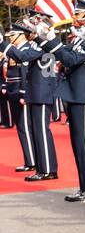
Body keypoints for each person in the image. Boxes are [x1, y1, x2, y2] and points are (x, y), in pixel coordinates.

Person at [33, 1, 85, 202]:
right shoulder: (78, 38)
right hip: (75, 92)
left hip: (84, 93)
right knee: (77, 142)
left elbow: (70, 60)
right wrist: (44, 38)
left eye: (79, 13)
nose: (75, 17)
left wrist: (51, 38)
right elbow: (64, 53)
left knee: (84, 141)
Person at [2, 28, 37, 172]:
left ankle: (31, 161)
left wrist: (23, 93)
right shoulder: (16, 49)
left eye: (13, 35)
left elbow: (25, 74)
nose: (10, 38)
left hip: (20, 91)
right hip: (12, 90)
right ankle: (29, 160)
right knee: (21, 128)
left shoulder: (27, 49)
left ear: (21, 35)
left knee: (25, 128)